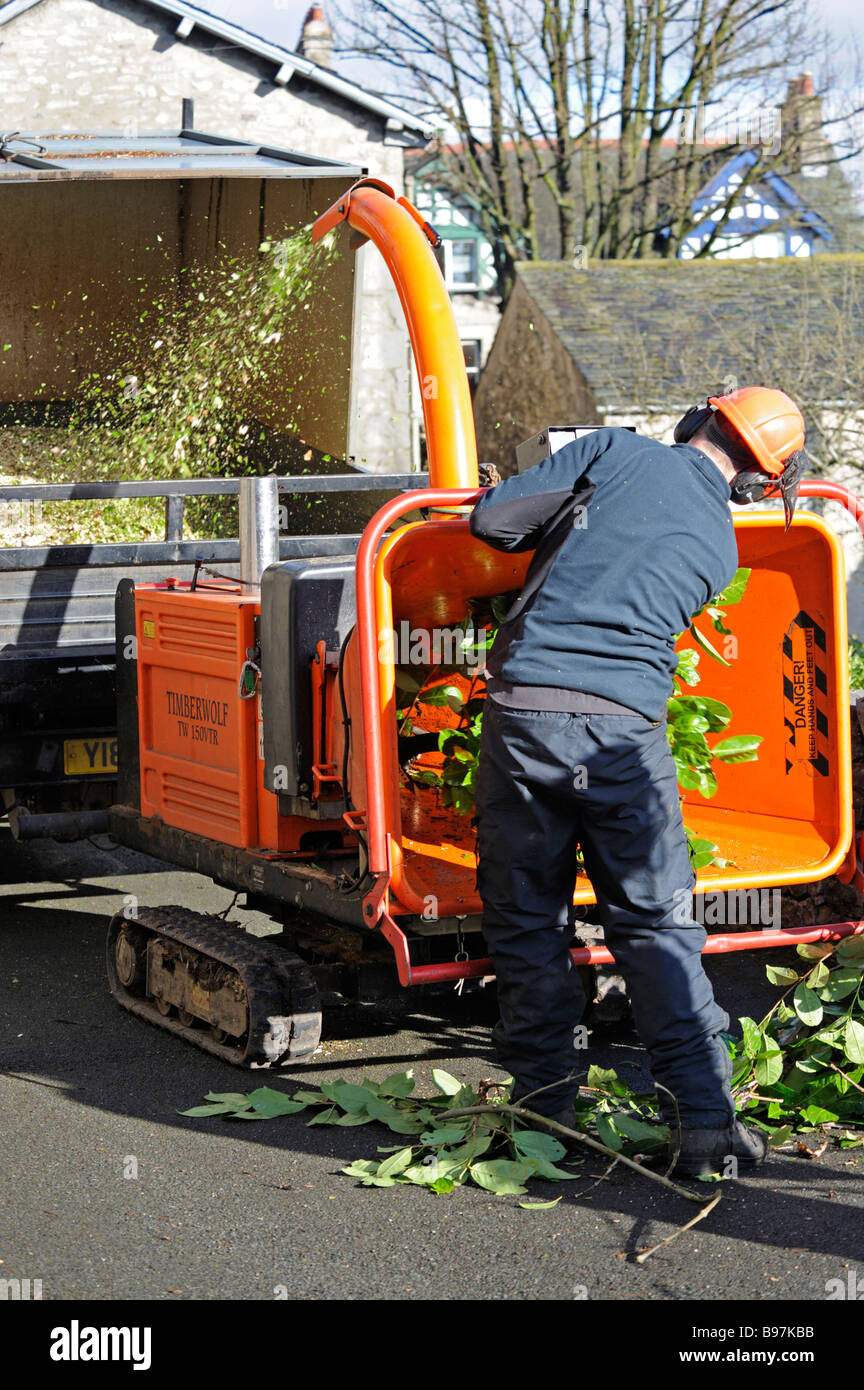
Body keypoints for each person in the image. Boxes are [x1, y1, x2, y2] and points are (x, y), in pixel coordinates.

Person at [469, 387, 808, 1177]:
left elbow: (492, 524)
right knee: (657, 926)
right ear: (759, 483)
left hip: (524, 719)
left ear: (699, 418)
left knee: (527, 920)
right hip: (624, 738)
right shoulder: (721, 546)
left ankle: (543, 1118)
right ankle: (705, 1127)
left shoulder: (614, 450)